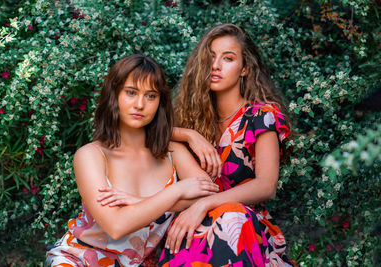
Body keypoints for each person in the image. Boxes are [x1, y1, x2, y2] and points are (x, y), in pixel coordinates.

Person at [45, 54, 219, 267]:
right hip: (80, 260)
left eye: (151, 96)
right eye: (131, 93)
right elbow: (116, 225)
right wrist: (178, 190)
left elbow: (208, 193)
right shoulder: (91, 155)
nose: (140, 104)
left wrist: (188, 135)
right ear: (114, 95)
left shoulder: (172, 151)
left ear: (159, 103)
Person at [159, 23, 295, 266]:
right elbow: (141, 130)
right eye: (210, 58)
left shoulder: (262, 116)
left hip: (243, 227)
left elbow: (267, 186)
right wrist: (190, 135)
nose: (215, 66)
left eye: (228, 58)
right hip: (195, 224)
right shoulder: (193, 118)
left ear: (245, 68)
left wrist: (205, 204)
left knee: (232, 216)